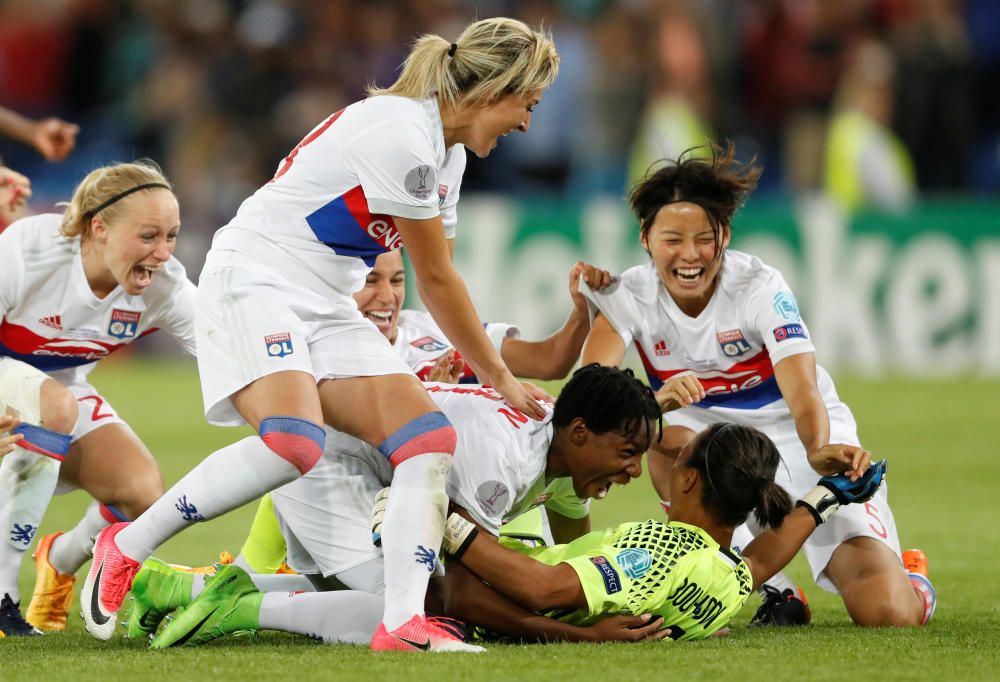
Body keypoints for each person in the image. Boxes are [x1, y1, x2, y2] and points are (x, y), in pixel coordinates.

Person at [82, 17, 560, 653]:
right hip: (256, 278)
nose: (526, 123)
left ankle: (400, 624)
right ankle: (128, 544)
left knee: (427, 438)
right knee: (294, 442)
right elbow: (438, 280)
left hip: (326, 298)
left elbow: (436, 283)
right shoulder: (402, 133)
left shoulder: (445, 156)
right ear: (495, 90)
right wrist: (498, 377)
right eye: (526, 104)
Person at [578, 143, 936, 627]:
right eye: (672, 239)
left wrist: (817, 448)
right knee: (659, 435)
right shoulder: (627, 295)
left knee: (888, 614)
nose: (689, 255)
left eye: (704, 238)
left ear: (724, 235)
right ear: (645, 238)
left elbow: (803, 387)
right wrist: (652, 402)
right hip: (719, 456)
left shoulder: (759, 287)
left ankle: (912, 578)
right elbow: (592, 394)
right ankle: (774, 590)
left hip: (797, 436)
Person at [126, 364, 664, 647]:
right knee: (415, 605)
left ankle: (177, 587)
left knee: (360, 585)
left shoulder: (560, 450)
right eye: (627, 452)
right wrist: (577, 635)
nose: (634, 471)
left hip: (357, 466)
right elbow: (464, 595)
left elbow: (573, 555)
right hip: (328, 464)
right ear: (579, 432)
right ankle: (241, 609)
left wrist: (613, 606)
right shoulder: (506, 455)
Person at [232, 252, 611, 575]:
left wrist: (580, 314)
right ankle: (247, 572)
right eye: (370, 281)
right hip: (382, 505)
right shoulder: (325, 355)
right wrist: (421, 396)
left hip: (481, 505)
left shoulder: (434, 329)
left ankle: (248, 581)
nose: (387, 296)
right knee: (305, 448)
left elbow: (548, 360)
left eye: (397, 280)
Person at [439, 423, 887, 642]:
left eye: (681, 455)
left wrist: (443, 521)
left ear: (689, 479)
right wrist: (825, 497)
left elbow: (543, 589)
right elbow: (761, 560)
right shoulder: (727, 578)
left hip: (477, 578)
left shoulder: (659, 551)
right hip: (508, 557)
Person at [0, 161, 194, 636]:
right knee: (55, 407)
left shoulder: (165, 287)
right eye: (149, 236)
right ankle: (2, 594)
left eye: (171, 235)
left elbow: (230, 352)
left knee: (143, 493)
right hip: (27, 393)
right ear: (99, 227)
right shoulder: (32, 248)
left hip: (56, 393)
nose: (163, 253)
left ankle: (59, 562)